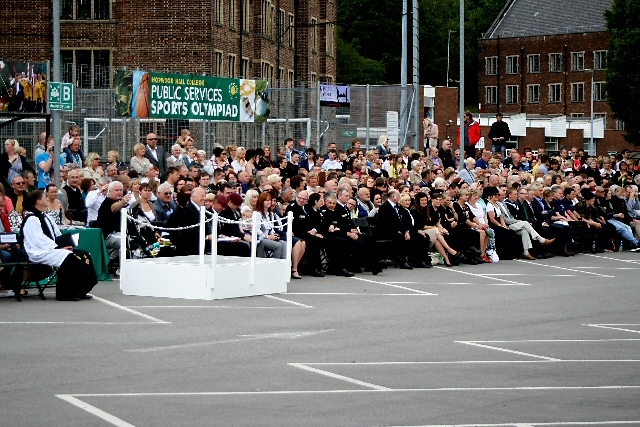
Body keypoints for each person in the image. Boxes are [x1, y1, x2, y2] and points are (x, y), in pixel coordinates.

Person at [21, 190, 97, 301]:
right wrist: (58, 248)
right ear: (39, 201)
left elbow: (57, 234)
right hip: (39, 252)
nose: (47, 198)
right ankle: (64, 293)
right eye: (45, 196)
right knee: (69, 257)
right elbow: (38, 240)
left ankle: (81, 289)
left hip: (51, 249)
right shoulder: (31, 219)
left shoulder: (45, 216)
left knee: (83, 254)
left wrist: (67, 244)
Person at [96, 181, 132, 275]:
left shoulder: (119, 202)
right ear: (110, 191)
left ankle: (112, 261)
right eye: (116, 190)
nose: (119, 192)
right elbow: (114, 208)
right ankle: (121, 269)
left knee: (132, 238)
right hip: (107, 235)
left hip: (119, 233)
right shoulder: (107, 202)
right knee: (125, 240)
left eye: (121, 190)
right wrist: (123, 202)